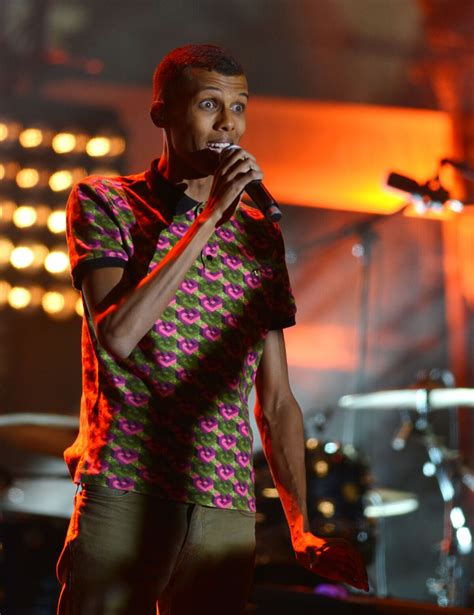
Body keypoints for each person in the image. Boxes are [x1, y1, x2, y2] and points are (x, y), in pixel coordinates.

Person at [56, 43, 368, 615]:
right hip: (126, 485)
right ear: (163, 115)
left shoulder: (258, 235)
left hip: (224, 506)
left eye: (239, 107)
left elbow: (276, 401)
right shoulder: (105, 203)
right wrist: (209, 218)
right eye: (208, 104)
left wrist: (301, 529)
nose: (229, 123)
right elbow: (119, 336)